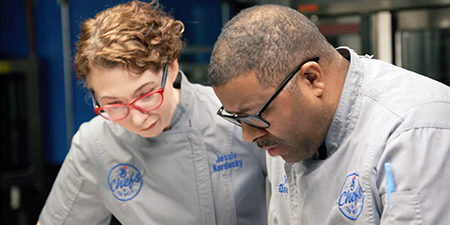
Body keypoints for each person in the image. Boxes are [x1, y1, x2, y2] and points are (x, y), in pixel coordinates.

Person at [208, 4, 450, 225]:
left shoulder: (412, 130)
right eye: (238, 119)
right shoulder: (282, 134)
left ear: (311, 78)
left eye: (254, 116)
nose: (249, 136)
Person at [37, 1, 268, 224]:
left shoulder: (233, 116)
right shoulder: (95, 144)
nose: (138, 118)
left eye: (146, 95)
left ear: (172, 66)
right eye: (114, 103)